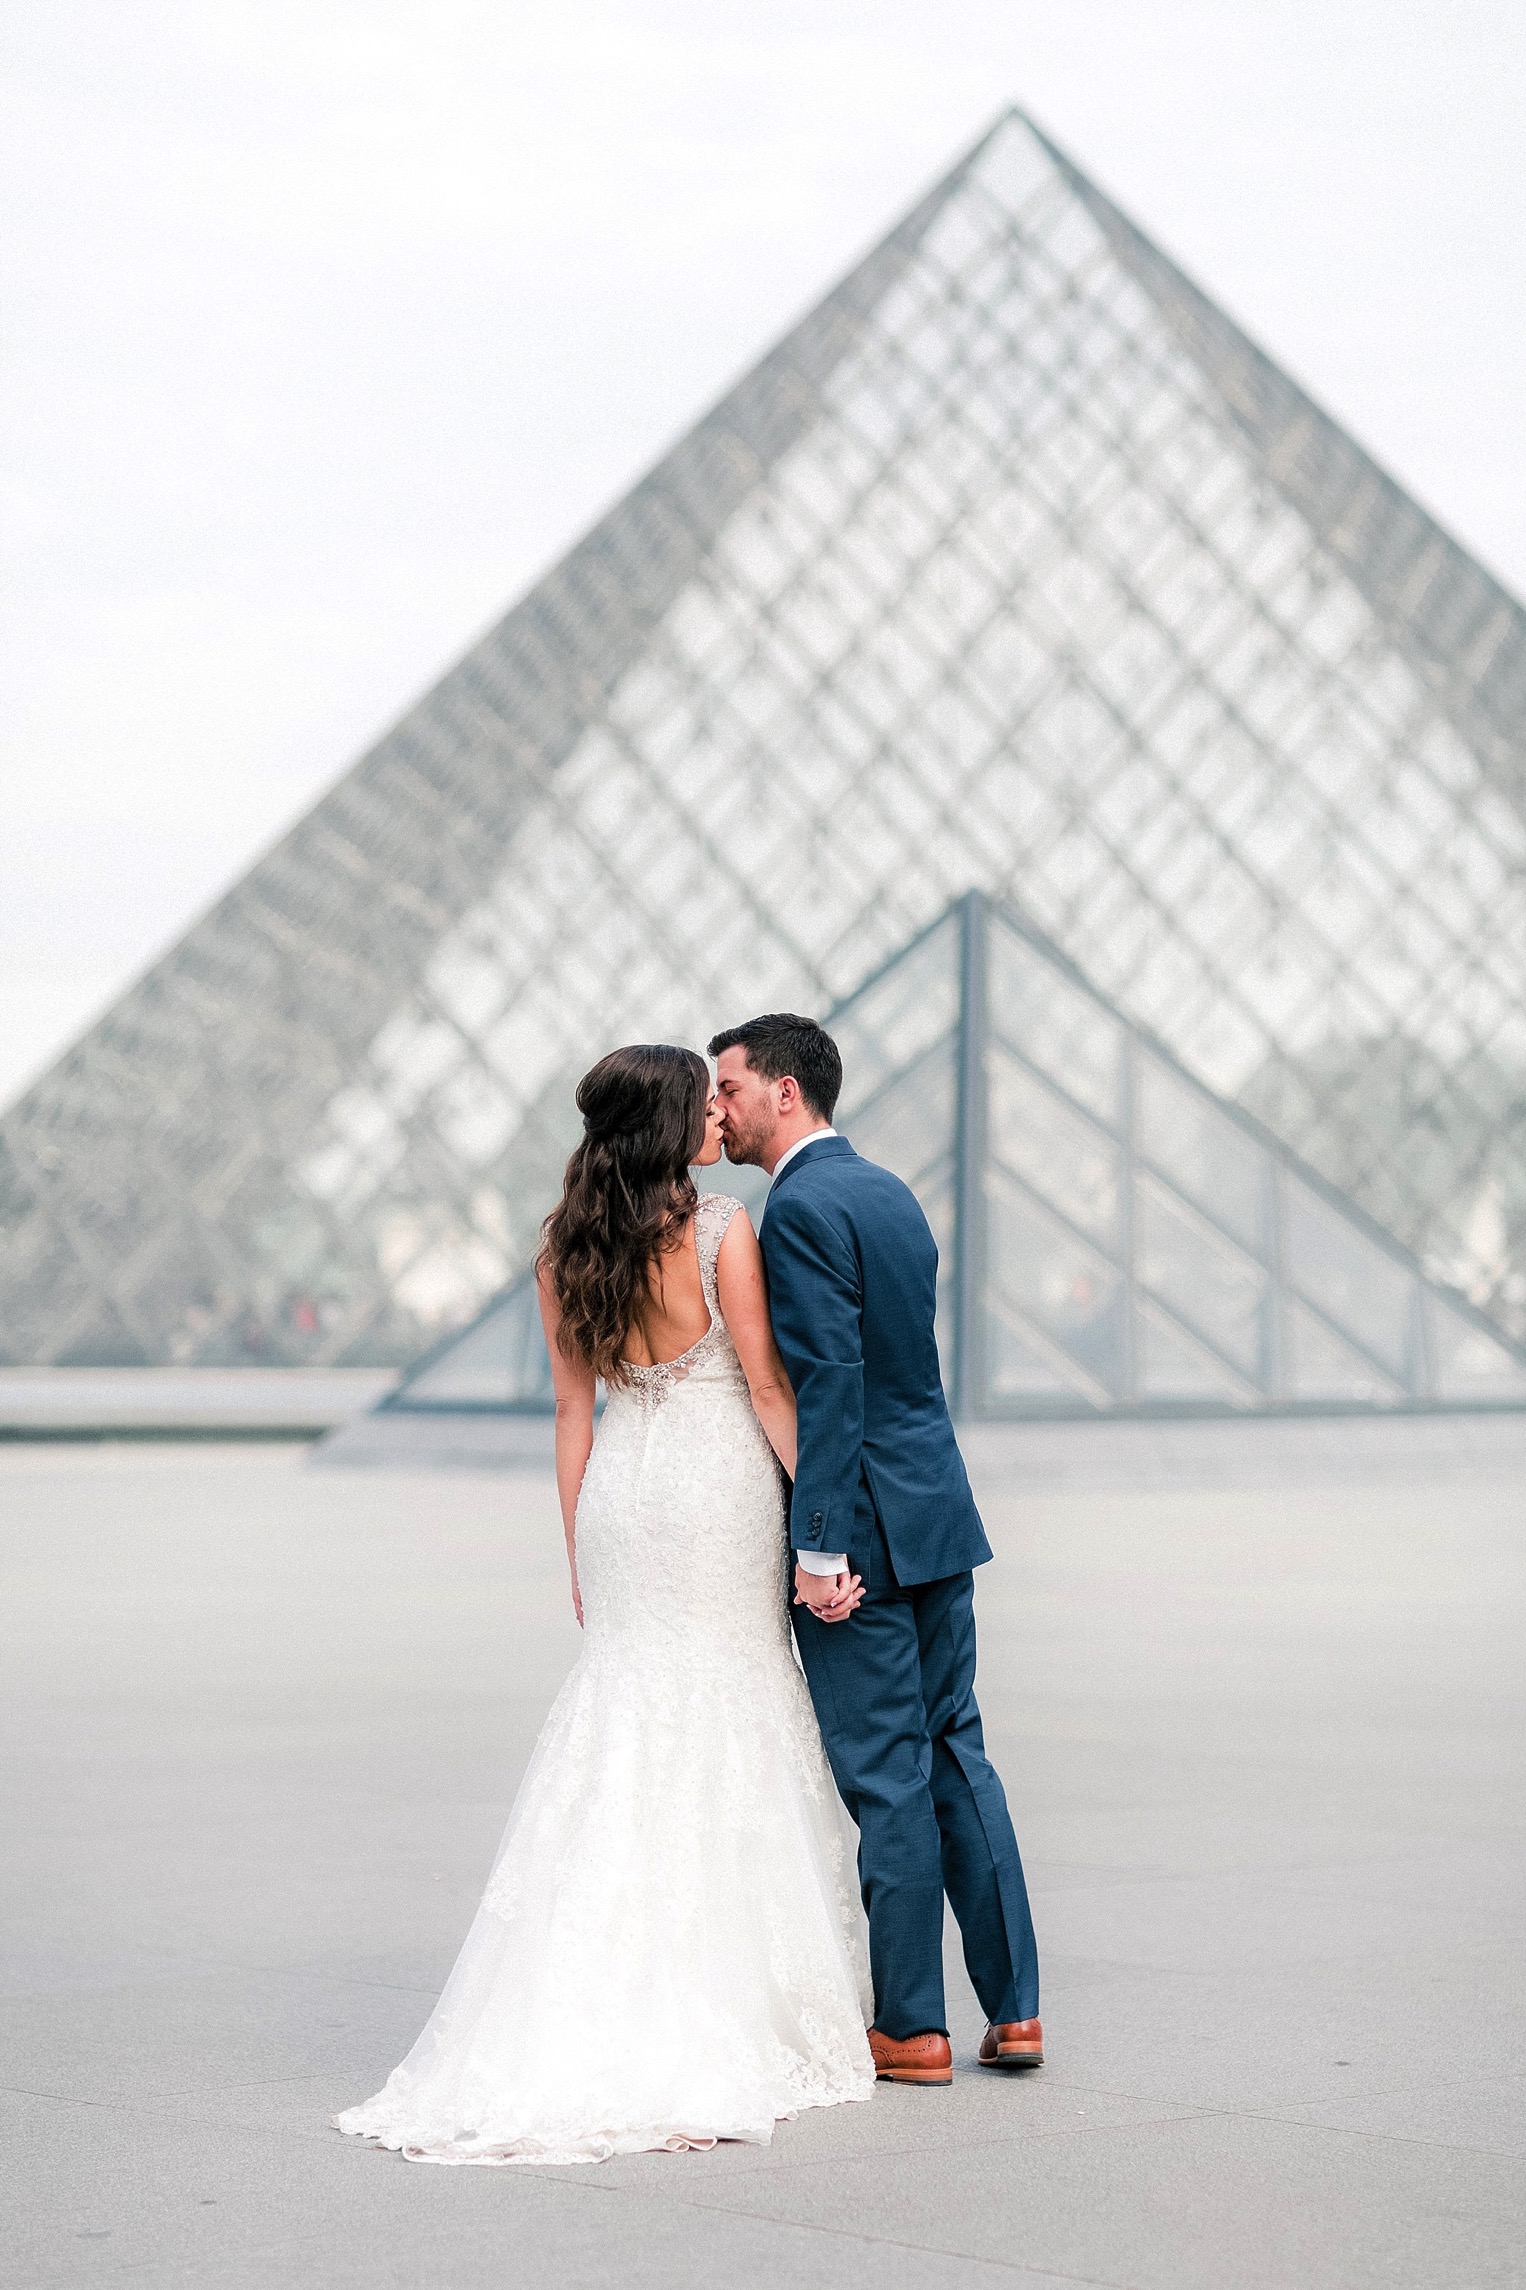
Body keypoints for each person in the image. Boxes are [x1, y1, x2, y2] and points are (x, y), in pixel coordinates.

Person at [333, 1045, 874, 2165]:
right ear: (672, 1119)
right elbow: (768, 1384)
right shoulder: (720, 1229)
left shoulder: (561, 1246)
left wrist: (578, 1545)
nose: (717, 1117)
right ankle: (727, 1987)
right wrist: (826, 1533)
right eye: (703, 1102)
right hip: (715, 1494)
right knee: (730, 1698)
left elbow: (571, 1417)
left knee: (625, 1708)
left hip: (622, 1503)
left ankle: (587, 1985)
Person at [711, 1012, 1042, 2086]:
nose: (717, 1107)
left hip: (864, 1538)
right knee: (959, 1756)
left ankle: (909, 2026)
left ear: (785, 1092)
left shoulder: (796, 1207)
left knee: (887, 1777)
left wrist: (817, 1548)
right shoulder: (889, 1192)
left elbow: (832, 1383)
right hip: (938, 1513)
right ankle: (1016, 2010)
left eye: (730, 1086)